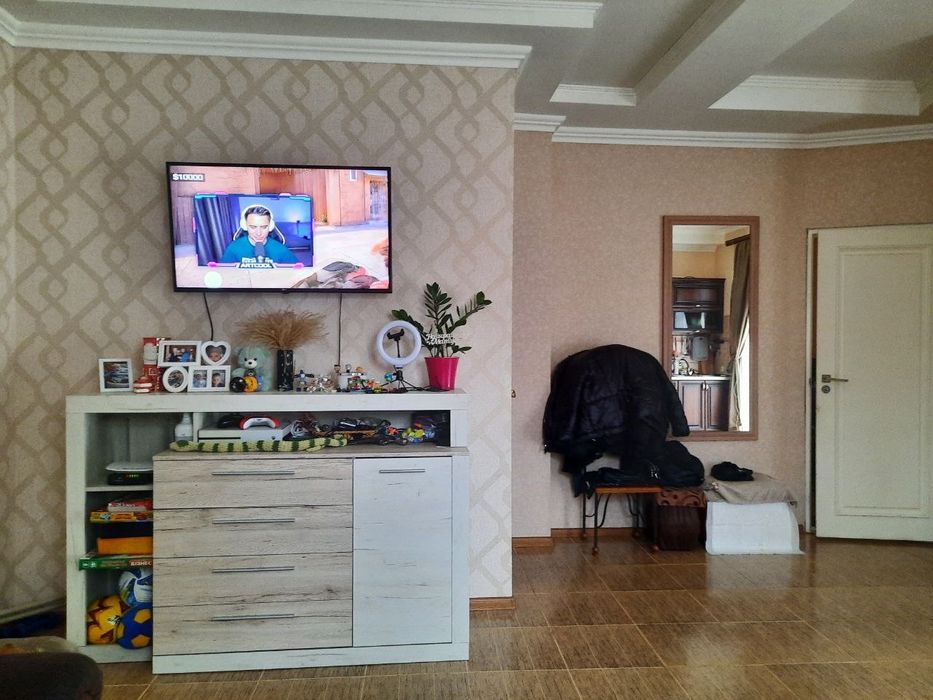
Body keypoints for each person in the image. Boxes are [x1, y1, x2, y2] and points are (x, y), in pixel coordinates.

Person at [220, 205, 298, 265]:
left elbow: (298, 273)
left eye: (264, 227)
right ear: (245, 226)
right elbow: (224, 273)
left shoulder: (281, 250)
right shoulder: (233, 248)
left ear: (270, 226)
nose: (259, 233)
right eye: (253, 227)